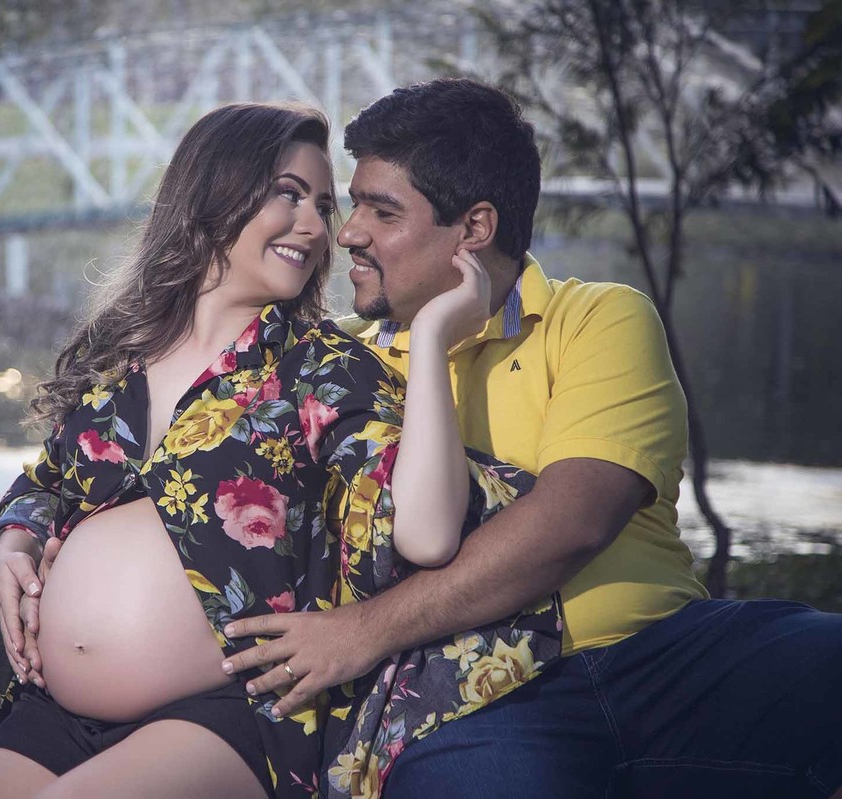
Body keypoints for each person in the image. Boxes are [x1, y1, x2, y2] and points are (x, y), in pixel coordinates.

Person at [220, 78, 842, 799]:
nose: (349, 232)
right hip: (472, 689)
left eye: (382, 211)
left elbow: (572, 522)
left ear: (474, 229)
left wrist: (365, 630)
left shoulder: (598, 318)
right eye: (353, 205)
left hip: (660, 656)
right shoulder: (333, 363)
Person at [0, 102, 525, 799]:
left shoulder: (320, 366)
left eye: (323, 205)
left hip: (222, 715)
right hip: (55, 712)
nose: (317, 227)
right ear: (214, 191)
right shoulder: (120, 358)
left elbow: (427, 534)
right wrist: (14, 540)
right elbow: (47, 483)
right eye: (289, 194)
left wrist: (431, 334)